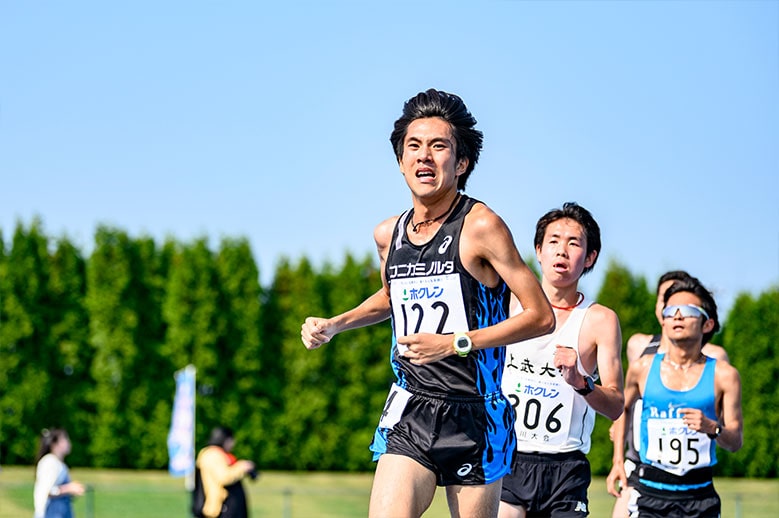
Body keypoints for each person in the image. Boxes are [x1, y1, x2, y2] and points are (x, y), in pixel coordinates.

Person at [300, 88, 555, 518]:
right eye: (414, 146)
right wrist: (336, 323)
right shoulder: (389, 234)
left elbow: (540, 316)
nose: (424, 157)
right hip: (411, 404)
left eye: (439, 146)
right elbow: (391, 295)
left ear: (461, 162)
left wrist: (456, 343)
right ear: (400, 161)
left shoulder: (481, 226)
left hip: (474, 412)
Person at [498, 202, 624, 517]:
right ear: (539, 251)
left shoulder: (600, 320)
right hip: (508, 457)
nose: (562, 251)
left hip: (565, 467)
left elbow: (615, 405)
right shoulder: (507, 304)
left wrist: (581, 382)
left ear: (590, 257)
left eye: (573, 243)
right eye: (553, 241)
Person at [615, 279, 742, 517]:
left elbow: (735, 441)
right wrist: (617, 461)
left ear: (707, 324)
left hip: (699, 499)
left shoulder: (725, 376)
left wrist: (712, 428)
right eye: (671, 311)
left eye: (688, 310)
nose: (678, 316)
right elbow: (621, 409)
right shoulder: (642, 368)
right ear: (663, 320)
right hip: (649, 496)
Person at [193, 426, 255, 518]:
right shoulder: (213, 454)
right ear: (224, 440)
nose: (233, 444)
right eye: (231, 440)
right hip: (220, 508)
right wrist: (241, 467)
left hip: (224, 508)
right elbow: (224, 477)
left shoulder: (213, 453)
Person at [33, 428, 85, 518]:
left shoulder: (59, 464)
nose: (68, 443)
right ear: (54, 444)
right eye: (65, 439)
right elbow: (48, 491)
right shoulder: (50, 462)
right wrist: (69, 488)